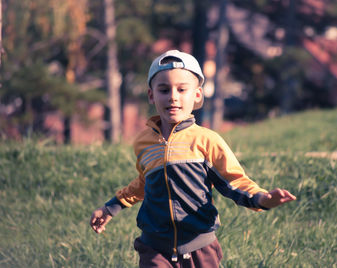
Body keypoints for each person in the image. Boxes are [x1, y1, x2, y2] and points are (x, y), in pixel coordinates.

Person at [90, 50, 296, 267]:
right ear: (151, 95)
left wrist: (262, 199)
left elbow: (233, 181)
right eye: (164, 89)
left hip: (200, 246)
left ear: (197, 95)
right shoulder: (143, 143)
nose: (173, 96)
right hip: (154, 246)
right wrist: (111, 207)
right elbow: (143, 184)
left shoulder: (206, 140)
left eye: (181, 89)